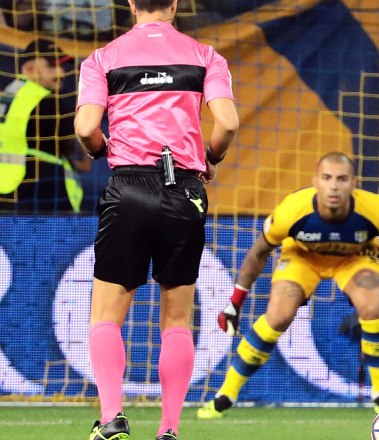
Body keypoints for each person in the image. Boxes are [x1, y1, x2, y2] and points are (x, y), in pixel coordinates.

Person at [75, 0, 239, 439]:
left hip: (127, 187)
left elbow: (87, 126)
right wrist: (210, 158)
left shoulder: (102, 59)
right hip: (184, 190)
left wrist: (102, 151)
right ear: (175, 4)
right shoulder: (205, 56)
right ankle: (168, 431)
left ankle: (112, 419)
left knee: (107, 316)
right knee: (177, 320)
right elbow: (227, 122)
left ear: (130, 4)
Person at [197, 151, 379, 419]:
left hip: (354, 257)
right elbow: (259, 252)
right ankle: (225, 395)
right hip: (302, 257)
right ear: (315, 181)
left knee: (373, 306)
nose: (334, 186)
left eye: (342, 179)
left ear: (354, 183)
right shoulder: (292, 210)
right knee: (278, 315)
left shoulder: (375, 209)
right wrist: (235, 302)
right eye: (327, 178)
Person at [0, 37, 85, 213]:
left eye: (62, 66)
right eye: (52, 66)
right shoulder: (48, 102)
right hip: (40, 199)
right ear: (29, 68)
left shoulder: (7, 95)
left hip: (6, 196)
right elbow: (83, 162)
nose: (61, 73)